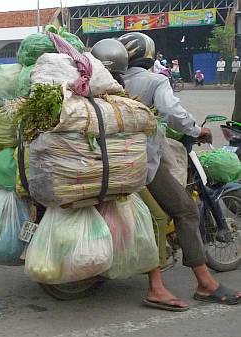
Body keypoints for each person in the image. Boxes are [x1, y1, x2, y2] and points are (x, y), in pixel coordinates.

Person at [118, 32, 241, 309]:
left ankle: (197, 281)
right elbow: (171, 110)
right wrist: (198, 130)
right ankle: (192, 285)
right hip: (142, 163)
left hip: (118, 161)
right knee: (183, 210)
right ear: (149, 56)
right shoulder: (154, 80)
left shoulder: (113, 80)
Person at [92, 38, 185, 311]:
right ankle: (156, 288)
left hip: (108, 165)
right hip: (121, 168)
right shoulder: (115, 91)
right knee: (156, 217)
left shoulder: (91, 88)